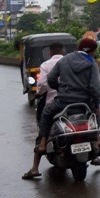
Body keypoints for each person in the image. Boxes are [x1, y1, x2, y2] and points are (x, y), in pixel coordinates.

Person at [27, 38, 100, 179]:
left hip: (63, 102)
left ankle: (43, 142)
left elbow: (51, 79)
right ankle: (97, 138)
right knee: (95, 115)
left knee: (46, 114)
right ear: (92, 51)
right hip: (84, 103)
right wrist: (96, 105)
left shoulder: (65, 60)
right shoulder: (91, 63)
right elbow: (95, 88)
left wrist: (61, 88)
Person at [22, 42, 66, 180]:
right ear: (63, 51)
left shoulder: (46, 65)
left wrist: (39, 93)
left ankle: (35, 166)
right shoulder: (70, 62)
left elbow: (42, 85)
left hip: (54, 101)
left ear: (50, 52)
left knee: (43, 124)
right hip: (75, 100)